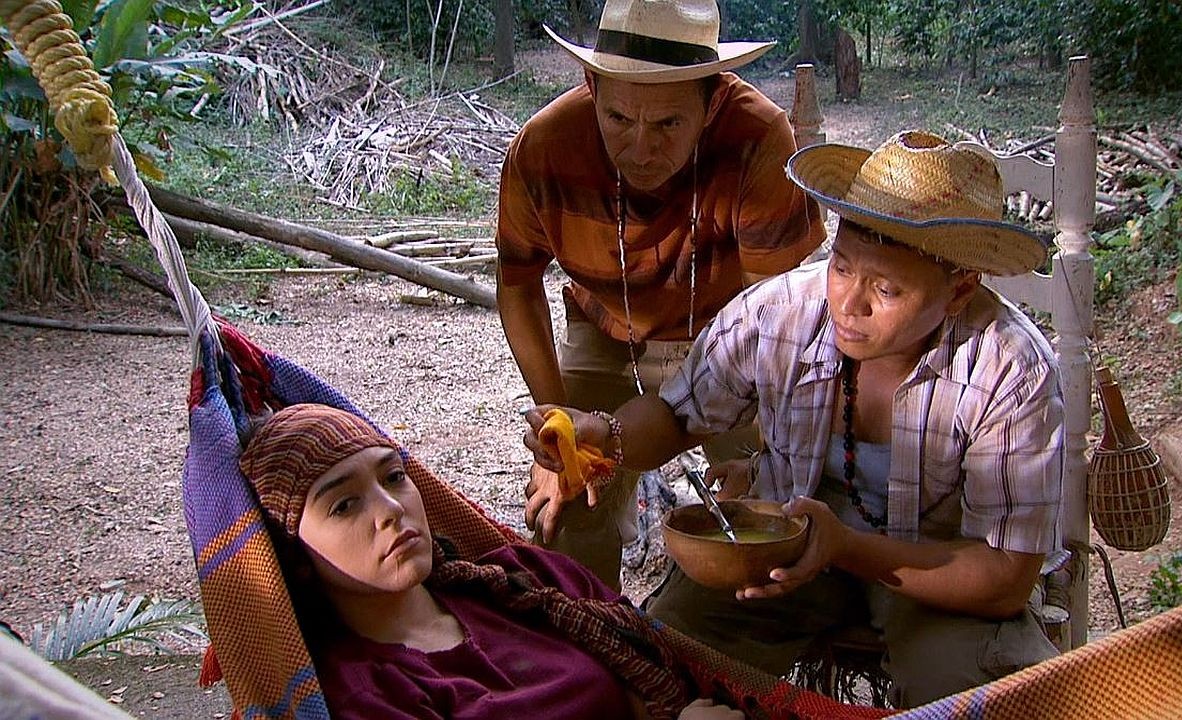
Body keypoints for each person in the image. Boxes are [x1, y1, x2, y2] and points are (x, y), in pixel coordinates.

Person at [521, 131, 1065, 707]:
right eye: (843, 267)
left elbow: (1003, 577)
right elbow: (677, 416)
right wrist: (607, 435)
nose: (849, 305)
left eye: (886, 289)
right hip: (779, 552)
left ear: (959, 290)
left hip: (935, 573)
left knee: (980, 700)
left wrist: (842, 547)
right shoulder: (781, 313)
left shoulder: (1010, 370)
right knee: (659, 664)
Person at [496, 0, 825, 589]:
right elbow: (518, 286)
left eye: (669, 124)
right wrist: (558, 427)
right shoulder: (545, 148)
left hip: (730, 341)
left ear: (712, 100)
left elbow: (776, 317)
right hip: (605, 328)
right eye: (619, 118)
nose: (640, 148)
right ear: (591, 86)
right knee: (569, 510)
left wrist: (763, 452)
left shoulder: (759, 140)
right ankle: (597, 635)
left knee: (774, 509)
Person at [238, 403, 743, 720]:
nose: (390, 510)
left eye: (393, 478)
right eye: (344, 505)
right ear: (295, 553)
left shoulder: (528, 579)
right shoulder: (367, 694)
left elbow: (653, 667)